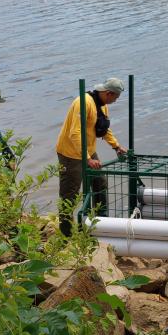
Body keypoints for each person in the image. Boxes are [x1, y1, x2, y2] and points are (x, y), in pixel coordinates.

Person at [55, 77, 128, 235]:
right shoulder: (83, 102)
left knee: (100, 182)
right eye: (116, 97)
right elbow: (75, 133)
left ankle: (99, 223)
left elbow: (103, 127)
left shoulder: (102, 105)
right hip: (70, 152)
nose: (116, 101)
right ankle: (65, 236)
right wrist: (87, 159)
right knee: (70, 194)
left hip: (87, 149)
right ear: (108, 93)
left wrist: (116, 146)